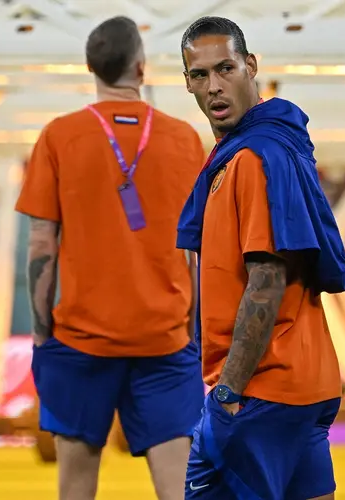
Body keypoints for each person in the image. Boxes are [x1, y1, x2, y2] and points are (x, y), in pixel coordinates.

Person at [15, 15, 205, 500]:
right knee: (178, 486)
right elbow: (202, 250)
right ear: (141, 68)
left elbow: (41, 245)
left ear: (90, 67)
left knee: (75, 485)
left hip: (80, 340)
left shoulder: (59, 137)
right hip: (164, 339)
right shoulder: (184, 139)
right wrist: (195, 332)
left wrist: (42, 336)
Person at [177, 17, 345, 500]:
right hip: (308, 387)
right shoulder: (280, 147)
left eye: (226, 68)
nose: (214, 86)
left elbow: (267, 279)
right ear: (186, 82)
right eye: (199, 75)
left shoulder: (251, 160)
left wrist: (229, 392)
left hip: (261, 392)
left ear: (250, 66)